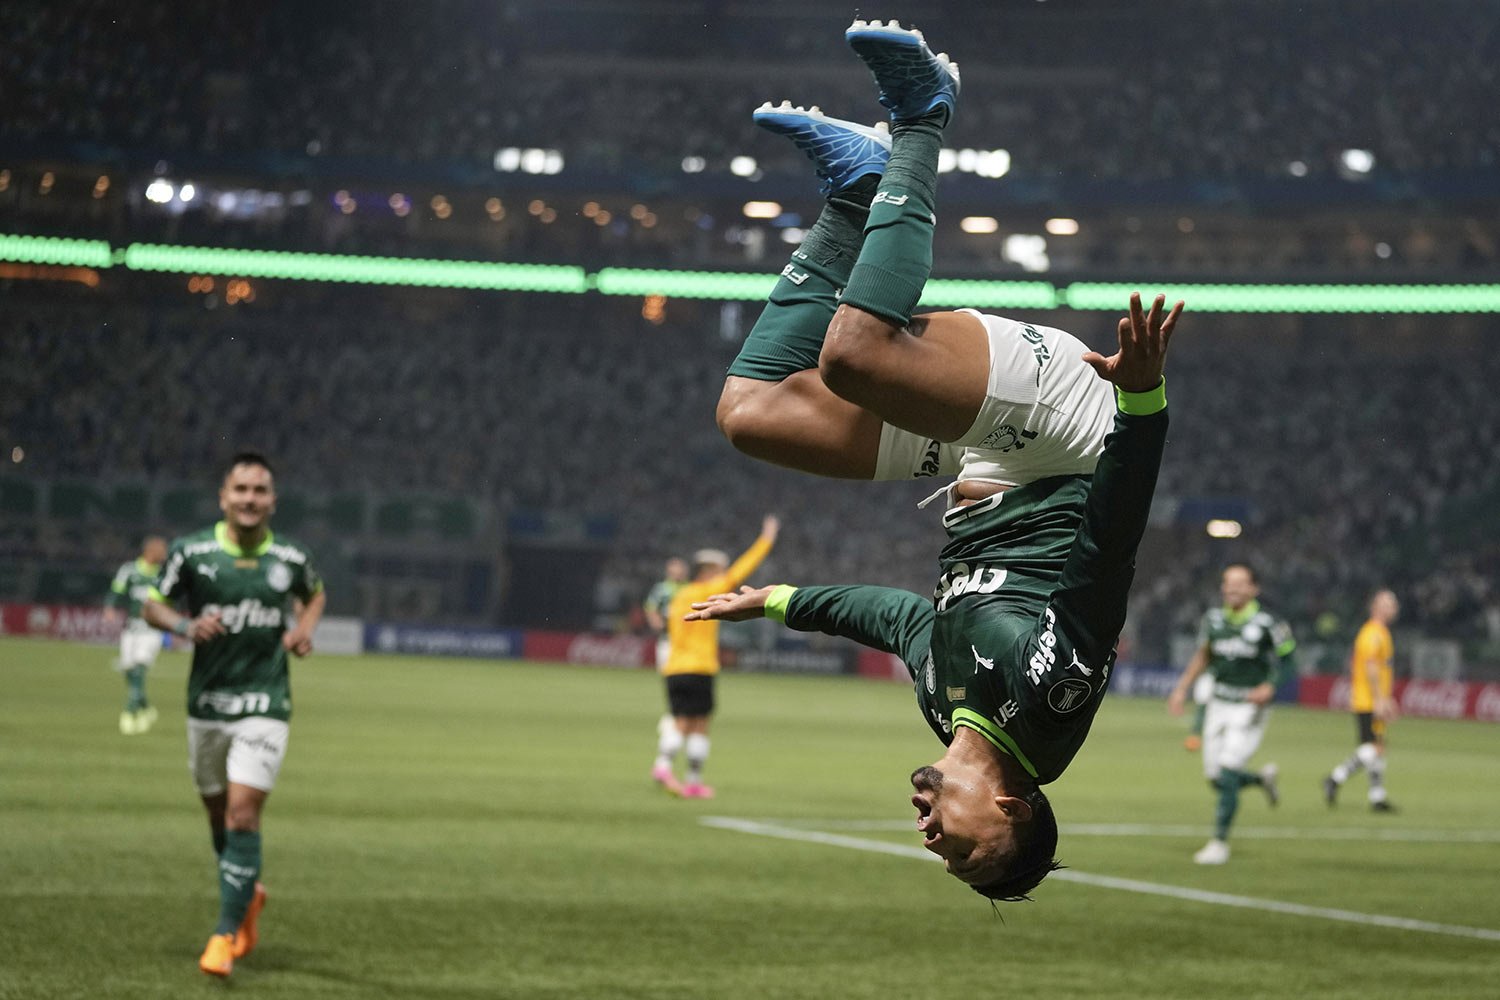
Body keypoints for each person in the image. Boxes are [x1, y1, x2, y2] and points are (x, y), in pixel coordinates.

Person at [694, 19, 1184, 901]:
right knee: (856, 358)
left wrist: (778, 600)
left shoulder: (945, 702)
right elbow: (1108, 547)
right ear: (1011, 809)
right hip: (1072, 439)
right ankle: (925, 114)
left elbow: (898, 622)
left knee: (754, 415)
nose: (930, 840)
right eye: (960, 849)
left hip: (988, 464)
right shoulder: (1048, 710)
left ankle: (855, 193)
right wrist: (1143, 404)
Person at [142, 451, 325, 978]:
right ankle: (248, 894)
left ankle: (222, 936)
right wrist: (182, 626)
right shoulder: (192, 552)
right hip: (207, 704)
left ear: (273, 500)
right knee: (218, 816)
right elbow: (152, 604)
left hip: (265, 703)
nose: (250, 499)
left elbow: (314, 594)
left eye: (260, 491)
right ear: (224, 497)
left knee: (244, 813)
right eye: (241, 490)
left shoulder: (290, 556)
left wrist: (304, 628)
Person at [1167, 563, 1295, 865]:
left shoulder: (1268, 623)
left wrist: (1270, 686)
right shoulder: (1213, 620)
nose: (1231, 588)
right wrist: (1181, 688)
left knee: (1227, 768)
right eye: (1227, 583)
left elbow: (1289, 662)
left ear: (1254, 589)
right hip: (1218, 703)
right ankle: (1262, 780)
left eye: (1239, 583)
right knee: (1216, 778)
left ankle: (1219, 843)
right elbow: (1203, 656)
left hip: (1250, 707)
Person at [653, 517, 779, 798]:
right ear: (708, 570)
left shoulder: (679, 595)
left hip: (674, 667)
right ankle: (680, 774)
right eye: (718, 570)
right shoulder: (705, 590)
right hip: (700, 667)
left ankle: (670, 769)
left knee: (679, 719)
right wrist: (766, 539)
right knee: (697, 724)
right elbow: (741, 572)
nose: (722, 575)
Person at [1323, 589, 1400, 811]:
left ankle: (1377, 797)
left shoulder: (1379, 632)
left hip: (1369, 698)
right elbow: (1371, 666)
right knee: (1373, 747)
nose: (1394, 608)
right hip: (1368, 700)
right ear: (1375, 607)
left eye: (1393, 604)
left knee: (1377, 747)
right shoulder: (1373, 633)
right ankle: (1335, 778)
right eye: (1388, 603)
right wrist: (1380, 699)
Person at [103, 534, 168, 735]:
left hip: (152, 629)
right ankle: (146, 708)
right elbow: (117, 590)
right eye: (162, 551)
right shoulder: (129, 570)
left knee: (140, 667)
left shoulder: (164, 574)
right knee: (129, 670)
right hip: (131, 629)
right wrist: (110, 607)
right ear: (151, 552)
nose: (165, 555)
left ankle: (129, 713)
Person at [643, 557, 690, 668]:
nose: (678, 573)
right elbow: (650, 607)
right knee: (667, 670)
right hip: (667, 637)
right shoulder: (662, 589)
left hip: (687, 639)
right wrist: (656, 622)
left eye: (680, 570)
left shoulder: (690, 588)